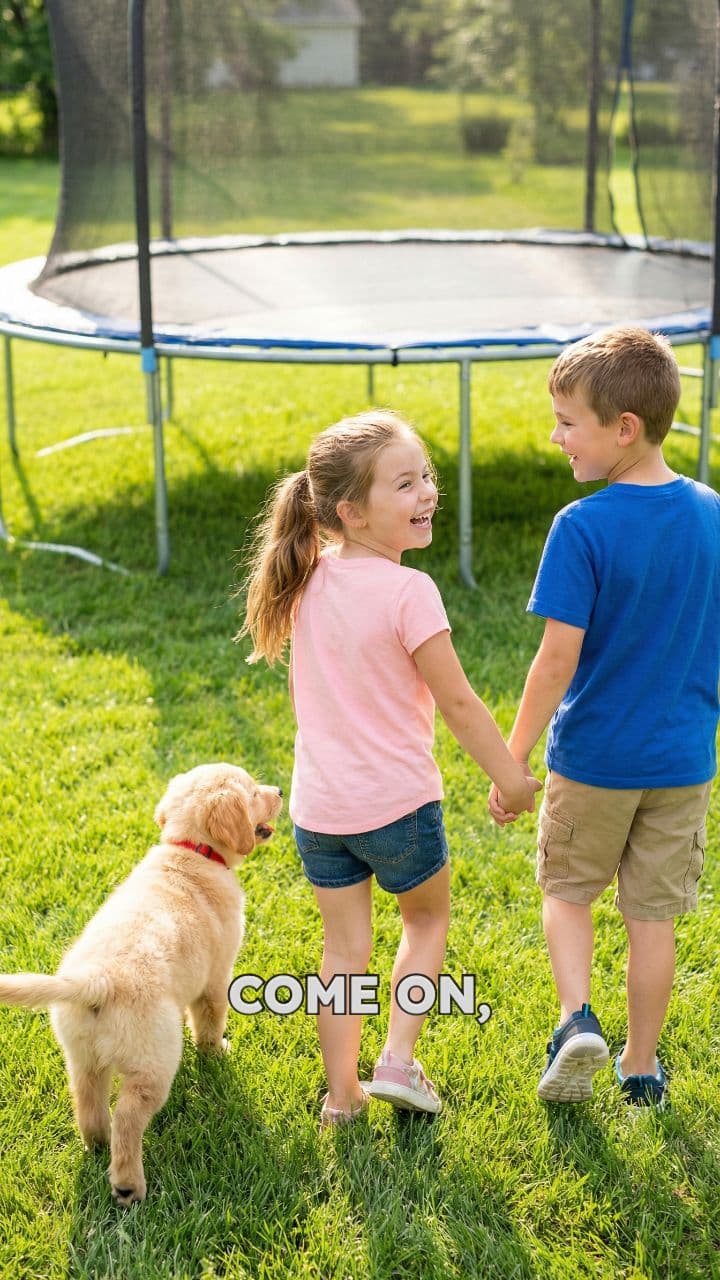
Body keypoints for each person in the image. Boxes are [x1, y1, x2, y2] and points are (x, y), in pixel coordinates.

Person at [239, 409, 539, 1129]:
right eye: (404, 484)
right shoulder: (410, 592)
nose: (427, 492)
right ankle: (398, 1063)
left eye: (427, 476)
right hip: (398, 808)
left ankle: (342, 1098)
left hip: (320, 812)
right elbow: (460, 702)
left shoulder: (305, 580)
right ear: (350, 511)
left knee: (343, 952)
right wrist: (511, 777)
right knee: (427, 921)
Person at [489, 326, 720, 1109]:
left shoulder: (581, 526)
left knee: (568, 892)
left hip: (591, 762)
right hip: (683, 765)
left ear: (624, 429)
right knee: (654, 918)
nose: (554, 437)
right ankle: (641, 1066)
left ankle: (575, 1018)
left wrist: (512, 758)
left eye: (567, 422)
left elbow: (555, 661)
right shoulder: (713, 514)